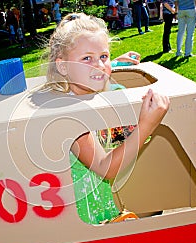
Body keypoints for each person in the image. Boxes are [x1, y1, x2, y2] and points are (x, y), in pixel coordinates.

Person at [45, 13, 170, 224]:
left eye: (104, 56)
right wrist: (147, 125)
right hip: (84, 217)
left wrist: (116, 64)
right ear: (63, 66)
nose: (100, 66)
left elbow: (101, 77)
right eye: (87, 58)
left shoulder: (78, 90)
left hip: (95, 197)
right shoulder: (71, 115)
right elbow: (106, 168)